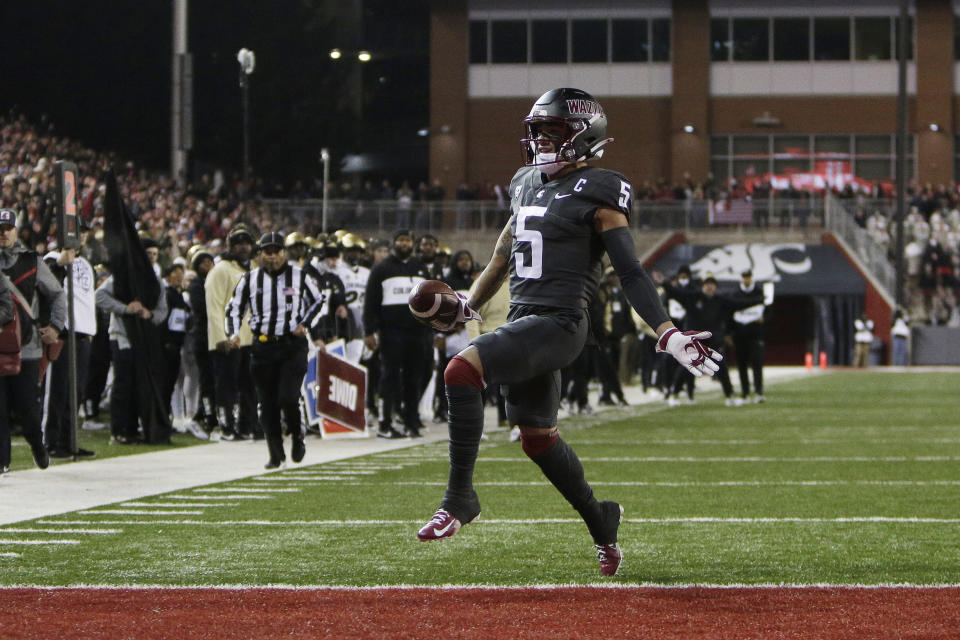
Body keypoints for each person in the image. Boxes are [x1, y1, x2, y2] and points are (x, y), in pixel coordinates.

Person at [415, 89, 721, 577]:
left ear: (583, 135)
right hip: (524, 320)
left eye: (550, 130)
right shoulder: (525, 183)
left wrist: (666, 332)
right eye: (535, 130)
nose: (538, 139)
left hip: (562, 323)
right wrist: (468, 304)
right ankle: (603, 523)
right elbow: (502, 255)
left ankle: (460, 498)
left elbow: (632, 271)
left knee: (460, 369)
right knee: (537, 440)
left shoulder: (601, 189)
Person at [225, 232, 325, 469]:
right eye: (267, 252)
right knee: (267, 402)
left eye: (276, 251)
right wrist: (234, 333)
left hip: (292, 345)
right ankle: (275, 451)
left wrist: (305, 324)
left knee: (288, 396)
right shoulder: (250, 279)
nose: (272, 256)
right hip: (263, 346)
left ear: (283, 252)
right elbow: (234, 308)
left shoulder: (299, 276)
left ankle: (297, 437)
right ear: (260, 254)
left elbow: (319, 301)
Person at [0, 208, 65, 472]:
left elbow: (58, 294)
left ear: (17, 231)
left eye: (7, 229)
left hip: (26, 347)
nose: (3, 234)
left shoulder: (31, 262)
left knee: (28, 408)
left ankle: (37, 444)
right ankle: (2, 461)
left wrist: (56, 327)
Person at [95, 239, 169, 444]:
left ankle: (133, 428)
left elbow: (162, 311)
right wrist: (124, 308)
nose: (152, 257)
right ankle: (118, 430)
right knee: (123, 383)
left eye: (155, 253)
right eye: (148, 253)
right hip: (122, 336)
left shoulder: (156, 280)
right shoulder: (124, 276)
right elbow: (99, 296)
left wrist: (149, 314)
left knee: (139, 384)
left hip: (144, 340)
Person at [363, 229, 433, 438]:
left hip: (417, 332)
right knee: (389, 376)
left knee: (414, 377)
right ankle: (385, 423)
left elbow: (431, 299)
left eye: (407, 240)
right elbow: (371, 302)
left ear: (413, 244)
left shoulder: (420, 268)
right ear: (394, 243)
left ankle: (411, 421)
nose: (404, 244)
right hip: (391, 331)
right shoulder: (381, 269)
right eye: (400, 240)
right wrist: (369, 331)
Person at [662, 274, 763, 407]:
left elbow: (740, 304)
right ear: (702, 286)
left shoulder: (720, 300)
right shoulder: (693, 297)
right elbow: (675, 292)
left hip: (713, 339)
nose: (709, 287)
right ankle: (673, 394)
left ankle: (730, 396)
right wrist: (664, 282)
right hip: (694, 340)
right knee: (687, 367)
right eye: (707, 284)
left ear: (715, 286)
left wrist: (760, 300)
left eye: (712, 284)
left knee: (721, 367)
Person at [43, 240, 98, 459]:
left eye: (84, 234)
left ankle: (69, 440)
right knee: (58, 390)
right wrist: (61, 260)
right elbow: (48, 275)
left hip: (84, 332)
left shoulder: (85, 262)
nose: (81, 238)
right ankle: (51, 441)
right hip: (63, 332)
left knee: (77, 392)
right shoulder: (51, 258)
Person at [205, 224, 259, 440]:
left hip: (249, 338)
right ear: (230, 246)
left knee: (249, 385)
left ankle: (246, 425)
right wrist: (222, 337)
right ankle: (226, 426)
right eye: (239, 244)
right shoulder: (220, 270)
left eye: (247, 243)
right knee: (227, 386)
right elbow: (214, 306)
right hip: (229, 339)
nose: (244, 248)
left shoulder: (253, 270)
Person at [729, 269, 767, 402]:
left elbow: (768, 311)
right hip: (740, 334)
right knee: (741, 364)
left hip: (755, 334)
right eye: (744, 277)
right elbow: (730, 314)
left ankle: (759, 391)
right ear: (741, 278)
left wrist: (764, 319)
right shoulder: (735, 294)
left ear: (751, 278)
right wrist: (729, 333)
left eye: (748, 277)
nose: (747, 279)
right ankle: (745, 392)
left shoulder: (759, 292)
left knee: (757, 362)